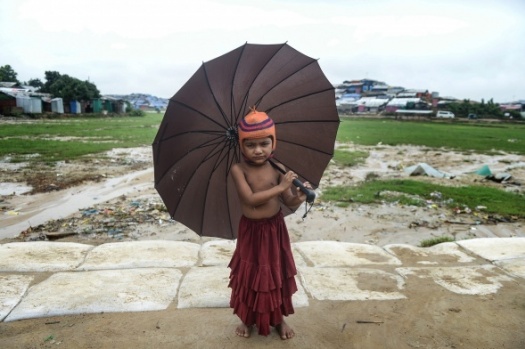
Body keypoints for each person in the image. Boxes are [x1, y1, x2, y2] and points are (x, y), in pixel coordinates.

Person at [228, 108, 311, 340]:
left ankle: (277, 319)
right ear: (241, 146)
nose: (258, 150)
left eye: (264, 144)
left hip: (274, 229)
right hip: (251, 231)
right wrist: (281, 186)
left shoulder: (278, 169)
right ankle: (248, 318)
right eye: (250, 145)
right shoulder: (238, 169)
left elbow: (288, 201)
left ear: (273, 143)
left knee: (275, 273)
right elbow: (250, 200)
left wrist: (299, 197)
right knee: (250, 273)